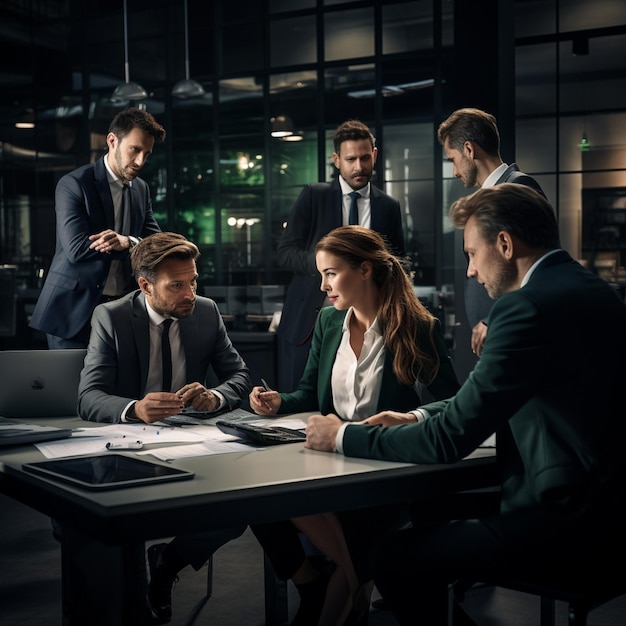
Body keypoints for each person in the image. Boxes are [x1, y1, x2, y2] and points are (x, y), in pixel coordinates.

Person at [304, 184, 626, 625]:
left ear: (506, 244)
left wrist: (342, 435)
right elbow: (477, 399)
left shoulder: (523, 308)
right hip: (611, 512)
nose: (471, 272)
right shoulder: (597, 292)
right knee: (427, 510)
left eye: (473, 254)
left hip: (564, 523)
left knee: (391, 557)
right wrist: (415, 414)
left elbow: (449, 440)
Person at [250, 225, 460, 625]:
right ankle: (348, 581)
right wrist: (279, 401)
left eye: (331, 273)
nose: (323, 285)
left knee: (354, 527)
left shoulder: (417, 326)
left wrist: (413, 416)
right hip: (329, 462)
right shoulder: (330, 322)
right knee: (261, 503)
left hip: (382, 468)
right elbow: (310, 394)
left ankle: (336, 596)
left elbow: (454, 402)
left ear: (365, 270)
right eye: (321, 275)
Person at [78, 231, 252, 624]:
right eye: (177, 285)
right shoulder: (112, 316)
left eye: (193, 281)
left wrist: (216, 396)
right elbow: (88, 397)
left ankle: (168, 563)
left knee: (237, 510)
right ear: (145, 286)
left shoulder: (205, 311)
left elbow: (238, 375)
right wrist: (134, 408)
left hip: (194, 440)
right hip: (127, 445)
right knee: (120, 522)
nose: (190, 292)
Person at [276, 119, 406, 392]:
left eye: (363, 157)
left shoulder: (389, 207)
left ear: (374, 155)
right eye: (350, 159)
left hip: (371, 324)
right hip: (310, 321)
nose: (358, 166)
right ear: (336, 160)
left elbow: (398, 264)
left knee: (359, 400)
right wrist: (330, 269)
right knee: (300, 406)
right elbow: (285, 253)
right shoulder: (314, 196)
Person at [30, 107, 166, 350]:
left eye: (147, 153)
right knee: (71, 387)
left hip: (121, 310)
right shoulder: (74, 184)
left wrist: (128, 242)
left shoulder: (141, 189)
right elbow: (77, 249)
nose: (140, 161)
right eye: (135, 150)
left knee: (117, 387)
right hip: (73, 312)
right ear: (112, 141)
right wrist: (134, 246)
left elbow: (155, 242)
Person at [437, 107, 546, 357]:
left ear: (469, 149)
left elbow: (535, 271)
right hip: (489, 338)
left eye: (453, 160)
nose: (454, 171)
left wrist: (493, 318)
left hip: (511, 334)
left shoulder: (520, 187)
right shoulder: (480, 199)